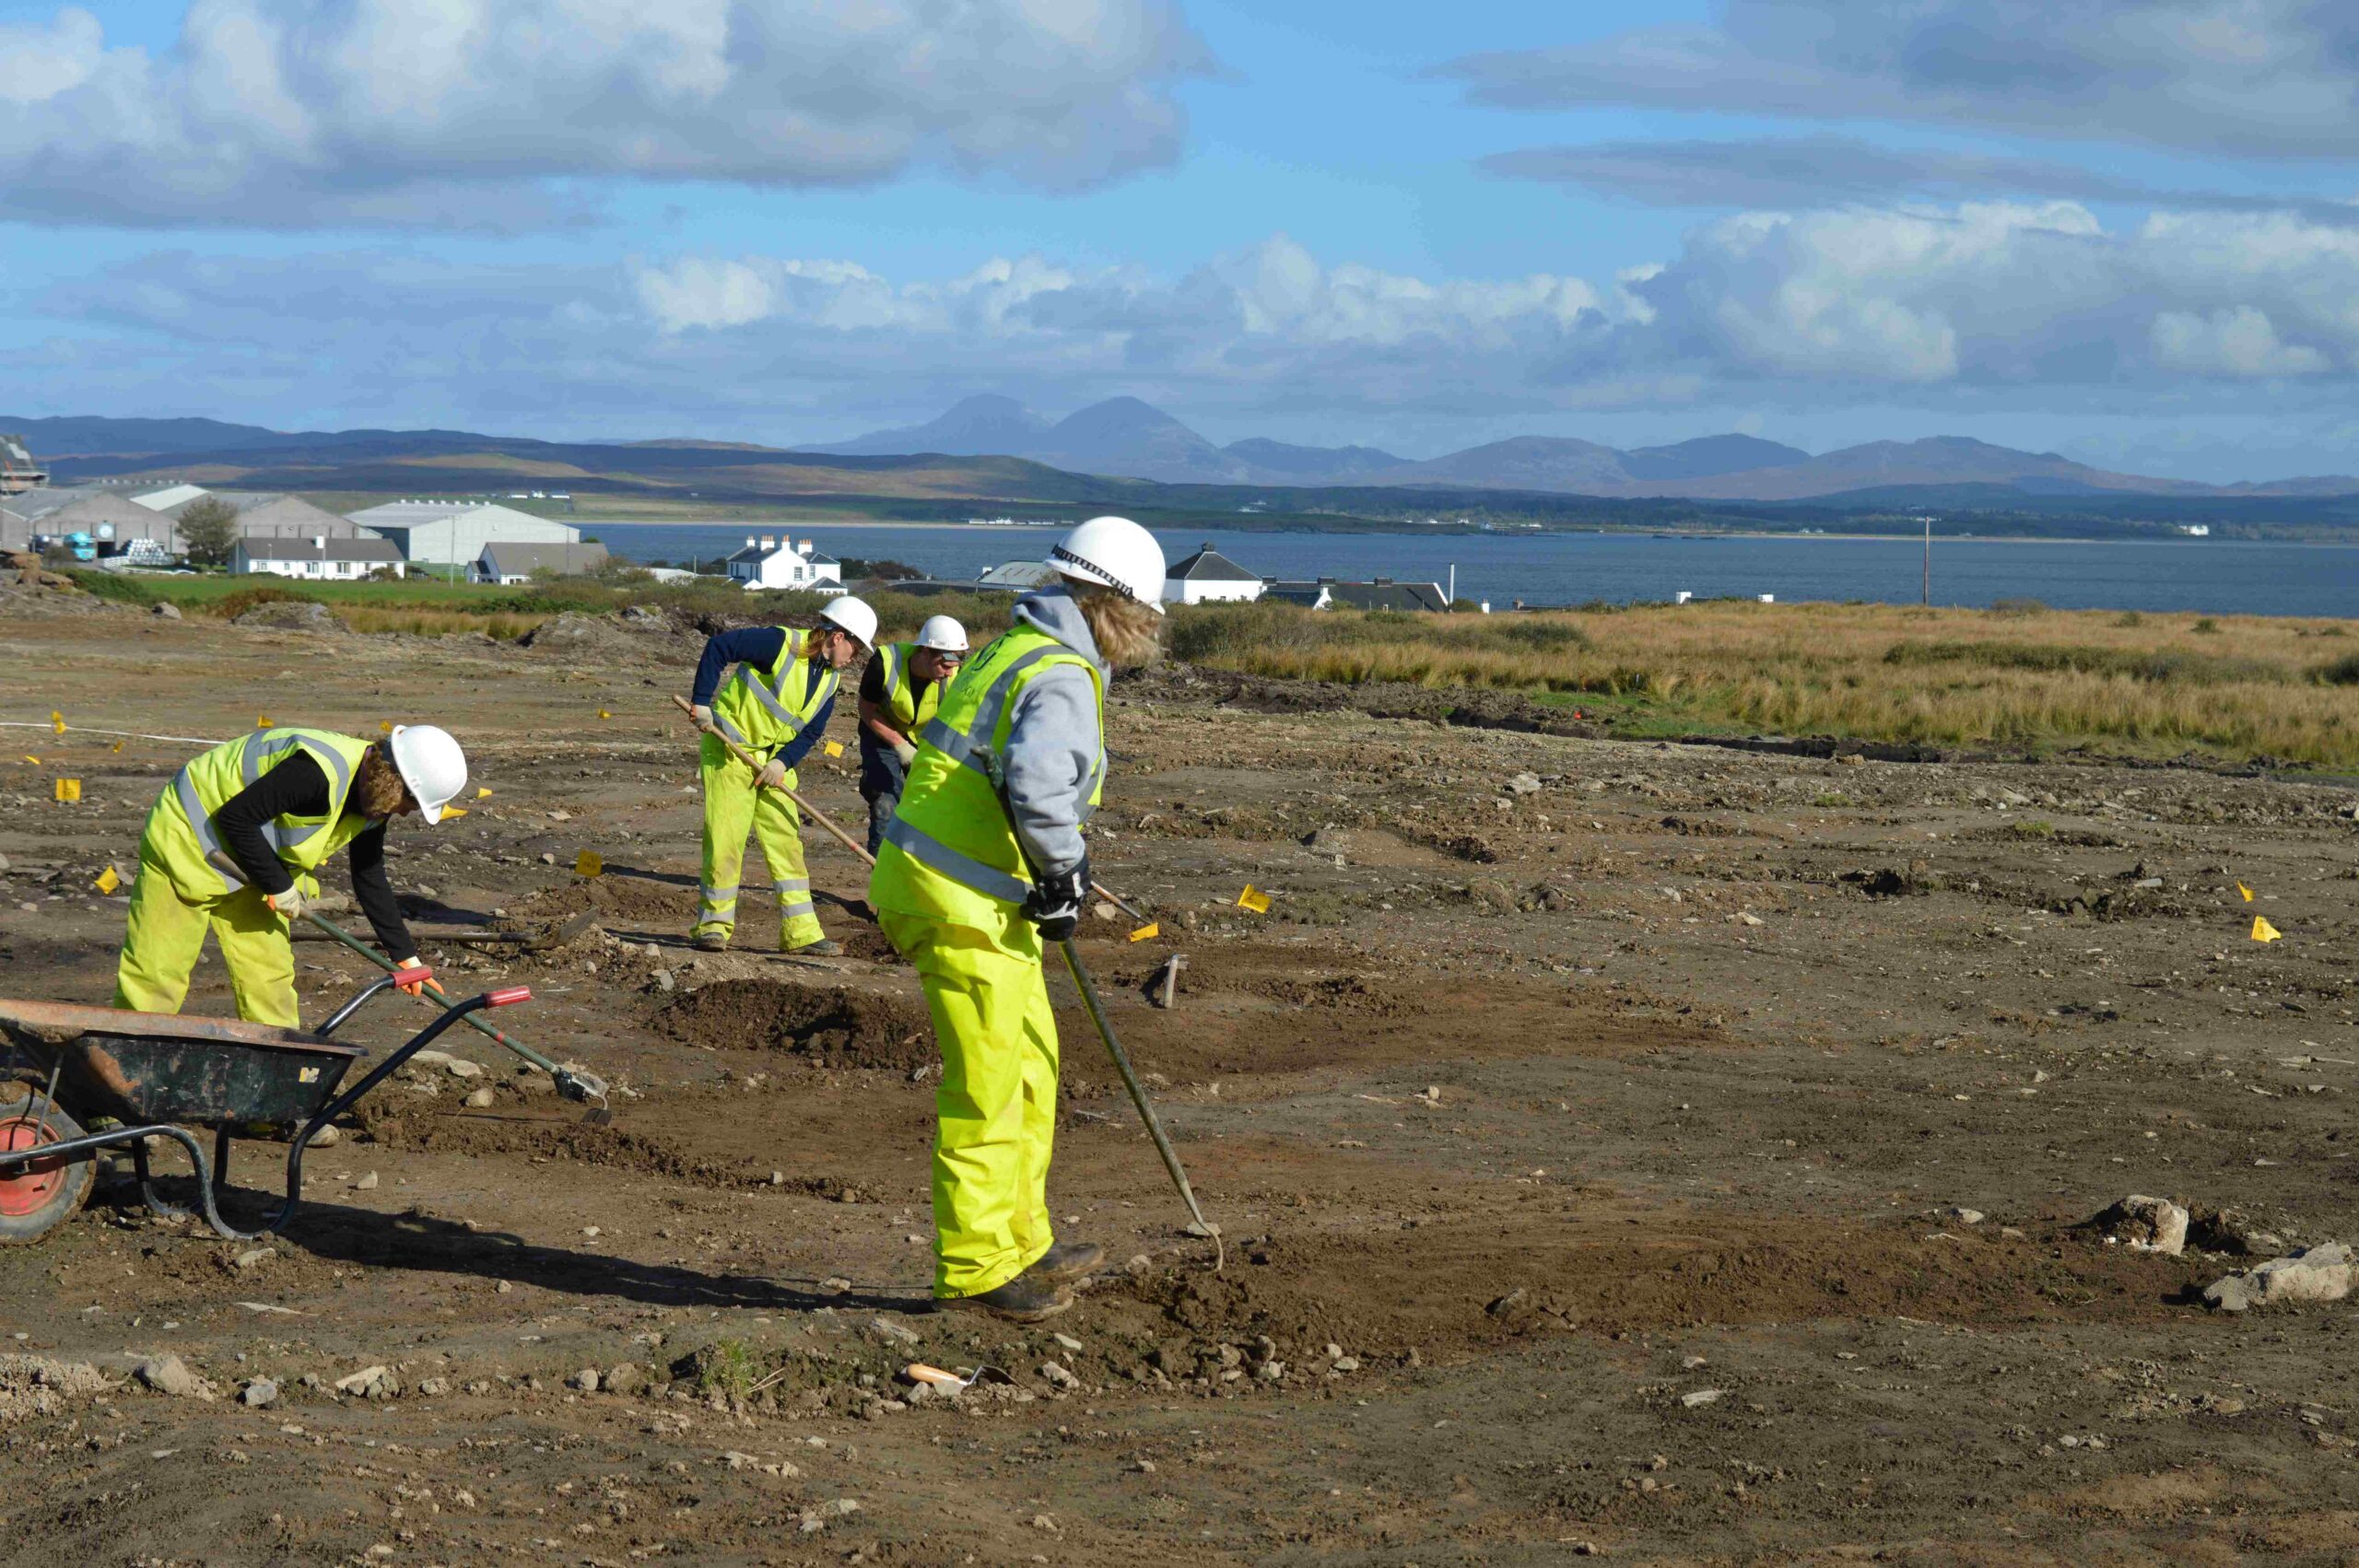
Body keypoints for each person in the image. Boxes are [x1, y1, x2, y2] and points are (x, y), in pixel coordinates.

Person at [868, 516, 1167, 1321]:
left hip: (974, 891)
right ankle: (974, 1267)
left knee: (1033, 1064)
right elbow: (1037, 785)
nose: (1146, 639)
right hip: (955, 895)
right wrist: (1064, 873)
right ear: (1118, 607)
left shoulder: (1014, 646)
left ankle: (1022, 1240)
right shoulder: (1063, 670)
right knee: (992, 1086)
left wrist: (1051, 875)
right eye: (1145, 620)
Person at [114, 724, 469, 1027]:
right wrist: (280, 885)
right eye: (411, 803)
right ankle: (118, 1088)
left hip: (253, 861)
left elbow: (368, 873)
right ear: (395, 782)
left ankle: (273, 1087)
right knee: (158, 973)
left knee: (269, 979)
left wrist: (405, 955)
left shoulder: (374, 796)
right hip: (189, 837)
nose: (407, 814)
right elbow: (235, 818)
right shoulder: (314, 773)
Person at [687, 595, 876, 956]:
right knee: (726, 841)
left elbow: (810, 733)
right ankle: (711, 928)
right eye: (855, 647)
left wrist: (782, 764)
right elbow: (719, 646)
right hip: (730, 752)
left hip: (773, 765)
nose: (856, 657)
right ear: (838, 637)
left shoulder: (831, 681)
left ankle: (801, 933)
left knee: (788, 845)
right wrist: (701, 702)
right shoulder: (780, 643)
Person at [857, 614, 968, 857]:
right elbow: (866, 710)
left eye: (954, 666)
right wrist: (900, 745)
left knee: (932, 802)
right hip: (881, 733)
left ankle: (915, 868)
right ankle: (882, 877)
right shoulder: (885, 663)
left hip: (924, 740)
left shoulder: (954, 675)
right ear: (926, 652)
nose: (950, 673)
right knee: (886, 802)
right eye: (945, 665)